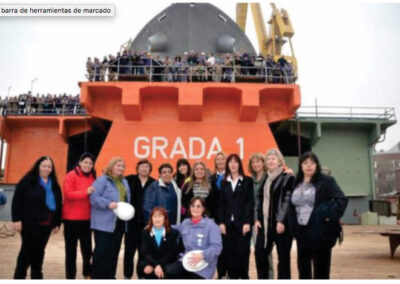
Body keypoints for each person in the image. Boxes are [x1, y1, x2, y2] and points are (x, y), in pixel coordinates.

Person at [288, 151, 348, 279]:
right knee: (303, 270)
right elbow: (291, 205)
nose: (309, 166)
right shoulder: (296, 182)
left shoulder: (327, 181)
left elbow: (341, 199)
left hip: (321, 232)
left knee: (321, 271)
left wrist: (325, 213)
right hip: (302, 232)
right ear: (301, 165)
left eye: (312, 163)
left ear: (317, 165)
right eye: (305, 163)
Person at [11, 156, 62, 279]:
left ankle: (36, 276)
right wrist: (16, 220)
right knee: (26, 252)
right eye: (44, 166)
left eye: (49, 166)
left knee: (39, 251)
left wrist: (57, 223)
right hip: (30, 223)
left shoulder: (54, 184)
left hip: (47, 224)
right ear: (38, 166)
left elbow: (59, 204)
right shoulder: (28, 181)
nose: (46, 169)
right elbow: (17, 200)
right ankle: (19, 277)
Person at [255, 149, 295, 279]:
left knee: (283, 259)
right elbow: (259, 200)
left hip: (280, 225)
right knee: (260, 254)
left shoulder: (287, 177)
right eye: (268, 159)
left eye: (273, 158)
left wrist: (281, 220)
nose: (270, 161)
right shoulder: (265, 178)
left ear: (279, 161)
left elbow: (287, 200)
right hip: (265, 225)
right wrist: (257, 219)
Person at [90, 157, 131, 279]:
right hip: (103, 223)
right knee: (101, 253)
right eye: (118, 165)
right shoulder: (102, 180)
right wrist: (108, 203)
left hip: (119, 223)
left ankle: (110, 277)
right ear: (111, 166)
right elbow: (94, 198)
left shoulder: (124, 182)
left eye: (122, 166)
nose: (120, 168)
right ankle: (97, 277)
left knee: (114, 252)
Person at [166, 197, 222, 279]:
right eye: (193, 206)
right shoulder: (186, 223)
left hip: (204, 264)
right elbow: (174, 228)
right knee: (169, 272)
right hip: (187, 260)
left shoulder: (211, 226)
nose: (195, 209)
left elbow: (217, 248)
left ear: (203, 209)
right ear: (189, 208)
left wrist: (202, 255)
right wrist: (158, 225)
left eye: (198, 206)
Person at [217, 153, 254, 279]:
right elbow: (221, 204)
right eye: (230, 162)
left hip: (243, 224)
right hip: (228, 225)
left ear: (239, 164)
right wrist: (221, 222)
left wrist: (247, 222)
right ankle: (232, 277)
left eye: (235, 162)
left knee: (243, 253)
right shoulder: (223, 183)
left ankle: (244, 278)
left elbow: (250, 203)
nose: (233, 165)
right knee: (230, 253)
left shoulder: (248, 181)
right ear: (227, 165)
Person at [62, 153, 96, 279]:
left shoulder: (92, 176)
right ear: (80, 163)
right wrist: (85, 192)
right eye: (85, 162)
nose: (88, 165)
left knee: (87, 250)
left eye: (90, 163)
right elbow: (68, 194)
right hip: (71, 219)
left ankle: (87, 273)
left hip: (86, 219)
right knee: (71, 251)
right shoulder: (71, 175)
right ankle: (70, 276)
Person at [123, 159, 155, 279]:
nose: (144, 169)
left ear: (150, 169)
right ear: (137, 169)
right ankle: (127, 276)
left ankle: (141, 276)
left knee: (144, 252)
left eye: (147, 167)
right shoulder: (129, 180)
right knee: (129, 251)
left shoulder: (153, 183)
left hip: (146, 224)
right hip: (131, 223)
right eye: (141, 167)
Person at [248, 153, 274, 279]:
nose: (255, 164)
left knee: (266, 253)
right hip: (254, 221)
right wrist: (254, 219)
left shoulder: (269, 178)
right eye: (253, 162)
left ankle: (269, 278)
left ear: (263, 163)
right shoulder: (250, 180)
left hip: (266, 221)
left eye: (258, 161)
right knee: (258, 253)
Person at [138, 207, 180, 279]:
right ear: (151, 219)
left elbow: (172, 254)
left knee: (170, 270)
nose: (157, 219)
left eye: (160, 216)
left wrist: (159, 265)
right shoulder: (146, 232)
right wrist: (155, 265)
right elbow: (145, 252)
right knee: (143, 267)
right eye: (154, 216)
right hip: (152, 262)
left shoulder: (173, 233)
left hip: (166, 263)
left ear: (165, 218)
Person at [209, 152, 228, 279]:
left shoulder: (233, 177)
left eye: (222, 159)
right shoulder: (211, 178)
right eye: (218, 159)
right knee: (217, 247)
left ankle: (228, 273)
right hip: (214, 219)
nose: (220, 161)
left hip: (230, 218)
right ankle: (220, 274)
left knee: (228, 246)